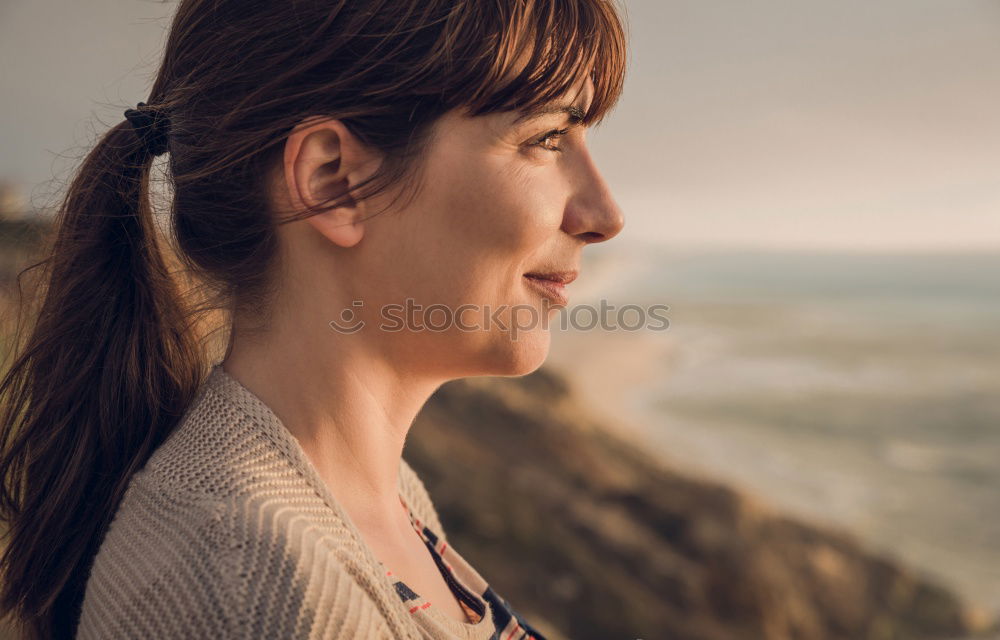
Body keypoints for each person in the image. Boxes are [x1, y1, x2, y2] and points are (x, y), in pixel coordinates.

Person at [0, 0, 626, 637]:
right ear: (334, 181)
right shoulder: (255, 587)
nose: (604, 214)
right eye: (547, 138)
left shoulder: (371, 498)